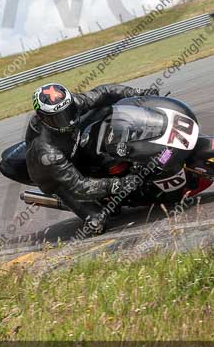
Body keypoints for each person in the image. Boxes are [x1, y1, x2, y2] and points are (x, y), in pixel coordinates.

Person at [25, 83, 158, 234]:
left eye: (68, 112)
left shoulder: (71, 104)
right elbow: (80, 186)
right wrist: (119, 184)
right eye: (59, 118)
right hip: (57, 178)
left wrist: (138, 91)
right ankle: (80, 205)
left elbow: (104, 92)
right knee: (98, 223)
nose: (68, 120)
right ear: (43, 118)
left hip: (72, 145)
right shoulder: (46, 152)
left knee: (107, 109)